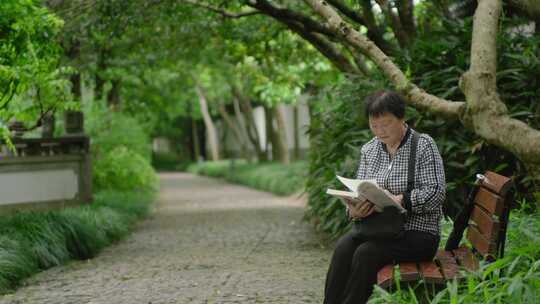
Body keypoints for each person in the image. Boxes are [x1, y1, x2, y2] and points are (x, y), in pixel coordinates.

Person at [323, 90, 445, 304]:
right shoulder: (369, 149)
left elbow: (435, 192)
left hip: (417, 233)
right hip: (378, 228)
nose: (379, 131)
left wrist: (399, 200)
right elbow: (360, 189)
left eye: (386, 124)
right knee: (343, 247)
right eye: (374, 125)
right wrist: (353, 210)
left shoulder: (423, 145)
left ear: (401, 118)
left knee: (366, 253)